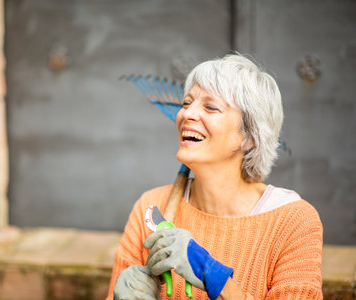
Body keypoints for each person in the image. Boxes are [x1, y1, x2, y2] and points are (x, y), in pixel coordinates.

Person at [107, 53, 323, 300]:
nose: (187, 114)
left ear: (248, 137)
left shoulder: (293, 222)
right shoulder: (150, 207)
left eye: (210, 107)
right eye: (187, 103)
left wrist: (214, 276)